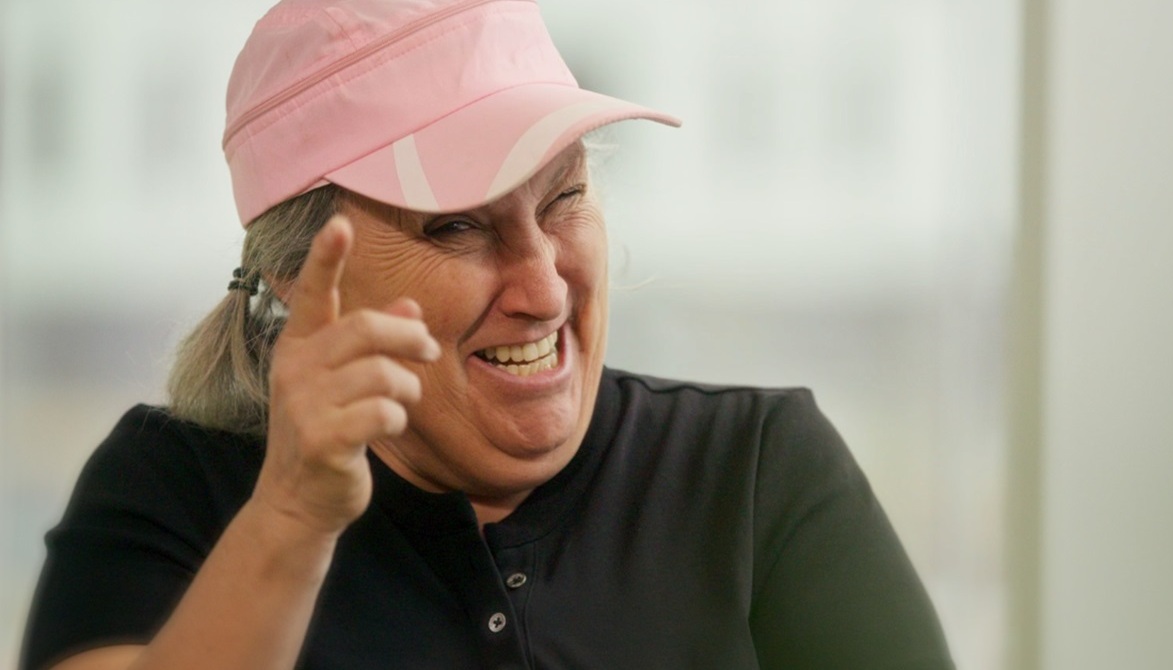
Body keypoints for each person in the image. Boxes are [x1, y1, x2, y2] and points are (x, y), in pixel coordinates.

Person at [21, 1, 954, 668]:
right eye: (456, 226)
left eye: (565, 196)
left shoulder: (753, 473)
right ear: (298, 278)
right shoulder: (177, 488)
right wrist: (293, 519)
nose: (543, 287)